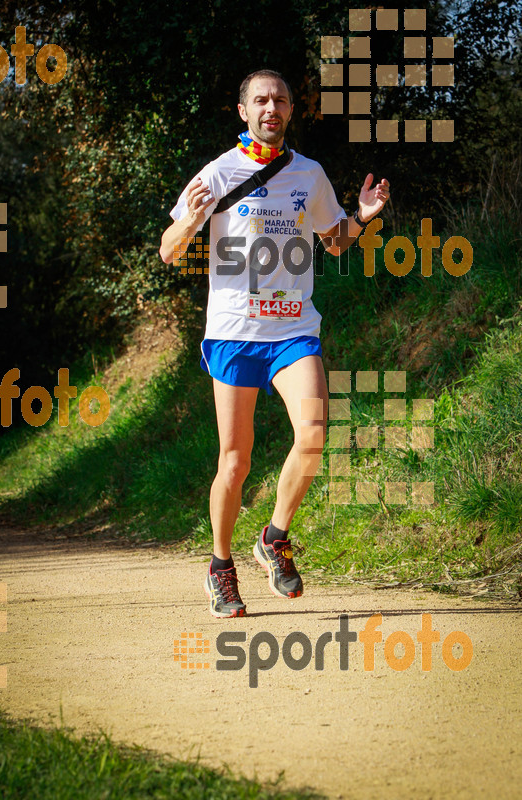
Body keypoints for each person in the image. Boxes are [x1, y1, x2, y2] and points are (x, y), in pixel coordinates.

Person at [159, 69, 390, 618]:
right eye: (261, 100)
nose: (271, 107)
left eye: (280, 100)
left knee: (313, 433)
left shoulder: (308, 173)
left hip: (292, 329)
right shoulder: (217, 173)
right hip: (236, 333)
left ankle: (274, 537)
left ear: (290, 111)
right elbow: (169, 250)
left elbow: (334, 244)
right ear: (244, 111)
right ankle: (220, 567)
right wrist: (191, 220)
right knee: (235, 462)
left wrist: (362, 217)